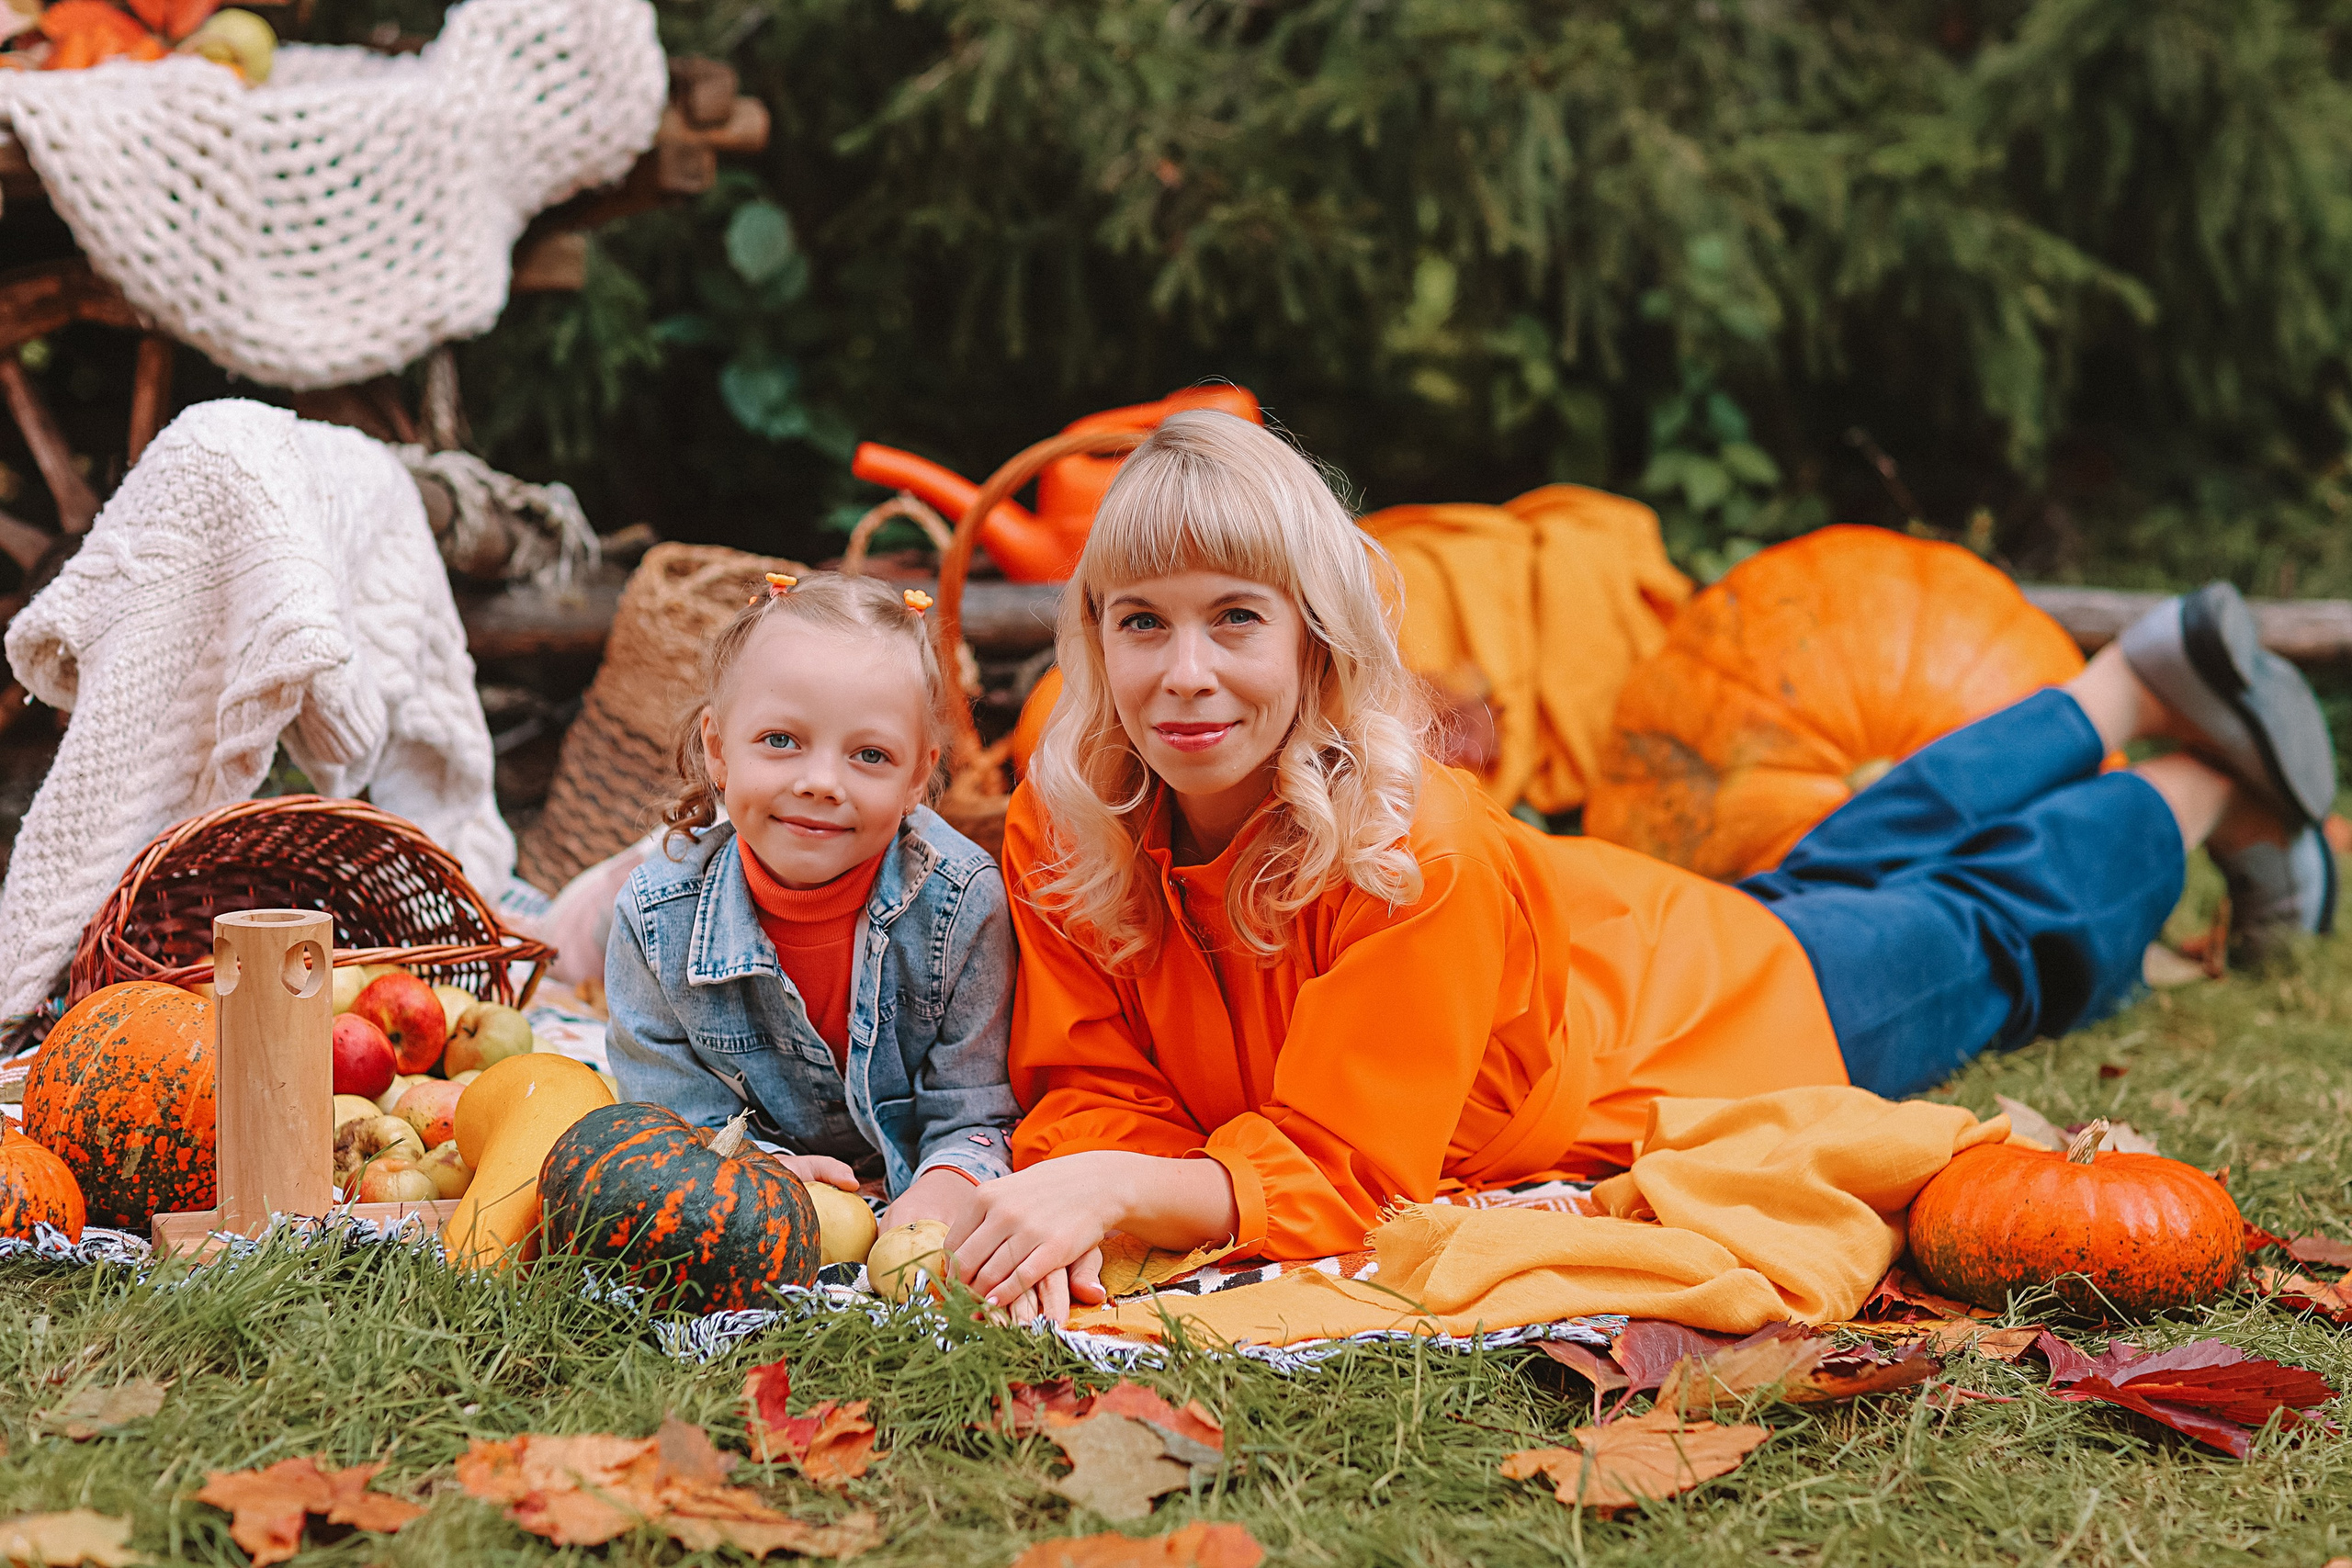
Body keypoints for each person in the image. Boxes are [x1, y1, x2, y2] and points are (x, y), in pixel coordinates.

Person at [943, 410, 2338, 1323]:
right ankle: (2116, 686)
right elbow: (1094, 1079)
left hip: (1712, 1025)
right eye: (1141, 622)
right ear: (1094, 642)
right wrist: (1072, 1183)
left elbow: (1339, 1168)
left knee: (1980, 928)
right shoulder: (1064, 825)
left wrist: (1123, 1192)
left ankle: (2196, 786)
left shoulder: (1412, 850)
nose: (1183, 673)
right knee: (1843, 855)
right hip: (1627, 924)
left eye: (1234, 618)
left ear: (1317, 642)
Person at [605, 571, 1030, 1299]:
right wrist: (750, 1169)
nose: (822, 781)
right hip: (762, 1165)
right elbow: (670, 1118)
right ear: (718, 747)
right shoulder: (656, 919)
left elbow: (977, 1110)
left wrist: (940, 1195)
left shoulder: (964, 905)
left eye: (870, 756)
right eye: (781, 741)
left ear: (919, 779)